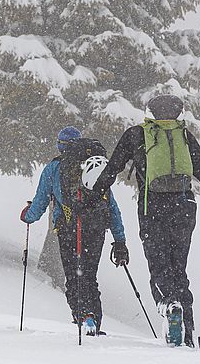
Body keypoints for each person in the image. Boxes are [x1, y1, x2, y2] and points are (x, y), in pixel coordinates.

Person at [92, 94, 200, 347]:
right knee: (179, 268)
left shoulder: (136, 135)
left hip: (152, 207)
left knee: (159, 266)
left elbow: (112, 169)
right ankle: (188, 329)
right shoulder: (184, 136)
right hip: (184, 206)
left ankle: (169, 305)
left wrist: (93, 195)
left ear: (149, 113)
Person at [21, 126, 129, 336]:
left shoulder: (54, 168)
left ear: (60, 145)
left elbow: (40, 202)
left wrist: (27, 216)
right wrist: (120, 240)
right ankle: (93, 320)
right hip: (96, 229)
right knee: (89, 276)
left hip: (68, 229)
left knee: (73, 277)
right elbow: (112, 206)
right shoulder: (96, 167)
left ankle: (83, 317)